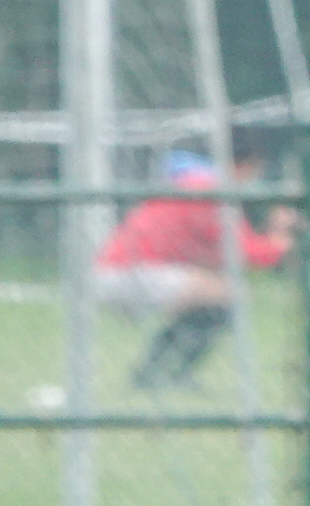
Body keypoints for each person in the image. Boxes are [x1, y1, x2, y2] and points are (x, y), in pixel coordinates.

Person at [92, 148, 290, 391]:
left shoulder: (200, 186)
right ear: (245, 167)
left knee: (216, 297)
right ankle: (159, 373)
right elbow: (251, 254)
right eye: (255, 171)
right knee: (228, 293)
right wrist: (280, 233)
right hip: (127, 275)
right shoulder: (210, 193)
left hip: (126, 272)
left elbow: (221, 253)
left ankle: (156, 373)